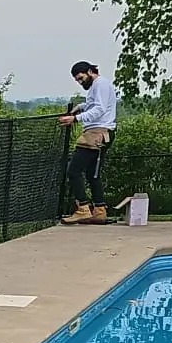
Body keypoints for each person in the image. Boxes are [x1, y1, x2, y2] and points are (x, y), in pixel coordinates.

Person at [60, 61, 118, 224]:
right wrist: (82, 106)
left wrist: (76, 118)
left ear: (90, 71)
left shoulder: (100, 84)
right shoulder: (99, 85)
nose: (80, 82)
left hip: (96, 133)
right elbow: (96, 104)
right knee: (93, 174)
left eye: (81, 78)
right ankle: (99, 210)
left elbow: (99, 109)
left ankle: (83, 208)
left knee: (73, 171)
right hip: (104, 132)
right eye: (77, 80)